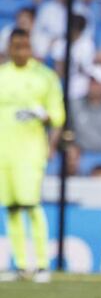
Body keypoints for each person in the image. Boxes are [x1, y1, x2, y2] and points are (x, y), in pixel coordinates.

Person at [0, 29, 65, 282]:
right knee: (12, 208)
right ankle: (20, 265)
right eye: (16, 47)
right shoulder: (2, 75)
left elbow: (57, 116)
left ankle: (41, 265)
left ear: (30, 48)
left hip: (30, 151)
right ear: (9, 48)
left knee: (32, 204)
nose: (20, 52)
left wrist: (49, 138)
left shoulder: (44, 76)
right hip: (4, 152)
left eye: (24, 47)